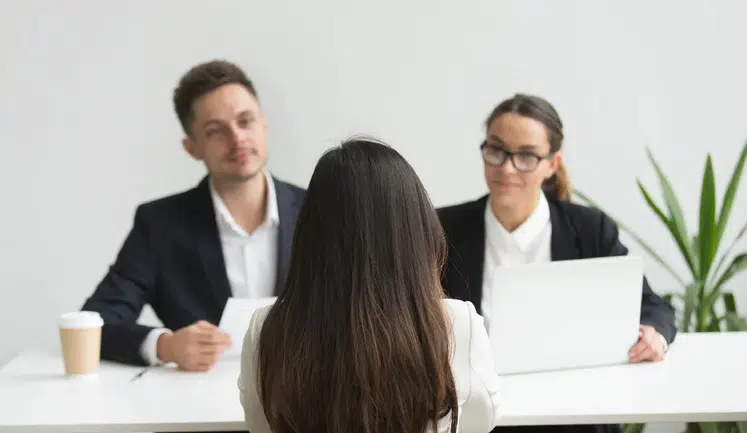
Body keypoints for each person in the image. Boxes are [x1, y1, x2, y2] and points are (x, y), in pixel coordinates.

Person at [438, 93, 677, 433]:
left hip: (576, 411)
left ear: (552, 163)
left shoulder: (590, 229)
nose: (507, 167)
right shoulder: (444, 229)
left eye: (526, 156)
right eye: (496, 150)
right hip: (483, 413)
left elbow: (653, 307)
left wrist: (655, 337)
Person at [238, 138, 501, 433]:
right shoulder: (456, 323)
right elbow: (482, 422)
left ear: (310, 235)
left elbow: (260, 425)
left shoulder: (267, 327)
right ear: (416, 230)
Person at [82, 60, 305, 372]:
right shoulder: (160, 224)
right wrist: (165, 345)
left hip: (305, 410)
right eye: (216, 131)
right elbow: (96, 322)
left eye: (246, 121)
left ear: (264, 123)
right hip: (198, 413)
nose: (237, 138)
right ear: (192, 147)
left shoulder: (319, 209)